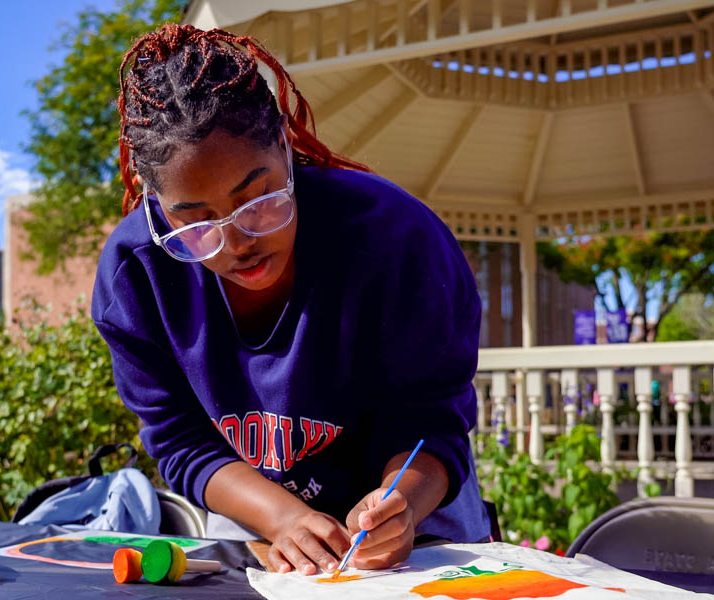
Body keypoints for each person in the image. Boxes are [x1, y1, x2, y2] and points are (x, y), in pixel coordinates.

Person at [92, 24, 491, 576]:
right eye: (196, 223)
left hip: (417, 515)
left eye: (257, 199)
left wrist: (402, 506)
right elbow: (181, 440)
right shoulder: (136, 277)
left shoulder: (396, 238)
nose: (237, 242)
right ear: (155, 201)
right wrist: (281, 518)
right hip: (257, 517)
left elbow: (432, 416)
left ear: (283, 142)